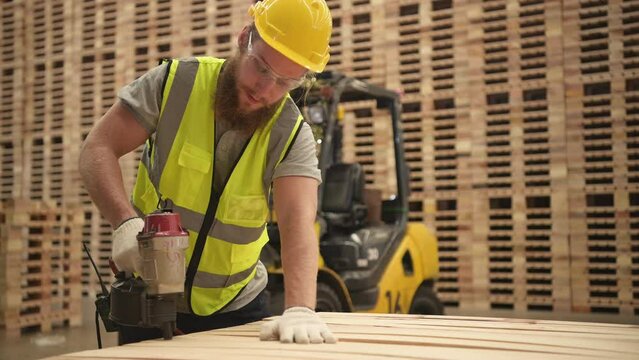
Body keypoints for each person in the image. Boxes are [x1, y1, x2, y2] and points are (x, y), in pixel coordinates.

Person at [79, 0, 337, 345]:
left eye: (284, 82)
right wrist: (124, 222)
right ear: (243, 37)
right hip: (150, 299)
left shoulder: (291, 133)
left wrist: (301, 309)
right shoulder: (175, 83)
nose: (265, 89)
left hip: (236, 307)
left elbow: (297, 221)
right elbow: (98, 148)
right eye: (260, 67)